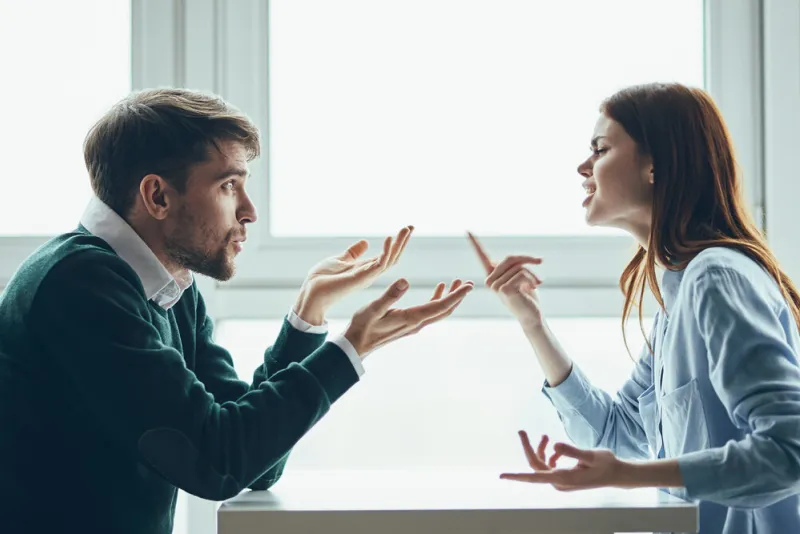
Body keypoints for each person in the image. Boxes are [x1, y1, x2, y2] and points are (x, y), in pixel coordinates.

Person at [0, 88, 473, 533]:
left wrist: (308, 316)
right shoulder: (80, 285)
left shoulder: (169, 288)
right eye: (229, 186)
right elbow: (216, 462)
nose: (249, 212)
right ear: (158, 196)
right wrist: (352, 347)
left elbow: (253, 461)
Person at [469, 82, 800, 533]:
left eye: (600, 149)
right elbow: (617, 435)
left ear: (655, 164)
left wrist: (627, 477)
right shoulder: (677, 296)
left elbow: (789, 450)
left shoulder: (715, 278)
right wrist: (533, 323)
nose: (583, 166)